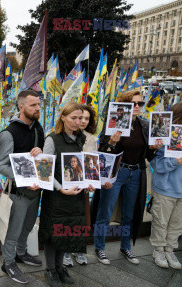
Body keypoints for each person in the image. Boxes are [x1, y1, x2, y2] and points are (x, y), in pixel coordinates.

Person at [93, 90, 161, 266]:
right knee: (105, 211)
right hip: (117, 172)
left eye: (140, 103)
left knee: (129, 213)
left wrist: (153, 148)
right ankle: (99, 247)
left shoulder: (144, 125)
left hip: (136, 172)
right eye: (134, 103)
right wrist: (112, 143)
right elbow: (102, 152)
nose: (138, 107)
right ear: (124, 105)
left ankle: (125, 247)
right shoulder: (114, 122)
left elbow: (147, 155)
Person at [40, 101, 95, 287]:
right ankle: (51, 270)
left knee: (67, 230)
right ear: (63, 117)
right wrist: (60, 188)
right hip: (57, 196)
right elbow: (43, 171)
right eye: (74, 118)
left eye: (80, 118)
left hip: (75, 195)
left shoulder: (80, 138)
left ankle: (60, 267)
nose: (78, 121)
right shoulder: (52, 140)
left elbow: (81, 166)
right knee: (54, 232)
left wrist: (88, 182)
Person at [0, 90, 45, 284]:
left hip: (36, 190)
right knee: (13, 231)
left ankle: (21, 253)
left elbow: (42, 158)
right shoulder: (9, 133)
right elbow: (0, 165)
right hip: (18, 192)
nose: (37, 108)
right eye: (33, 105)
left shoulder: (38, 128)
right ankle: (8, 262)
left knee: (28, 226)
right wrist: (23, 179)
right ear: (21, 106)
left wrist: (40, 152)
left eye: (39, 105)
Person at [149, 102, 182, 269]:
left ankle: (170, 249)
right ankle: (158, 249)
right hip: (166, 187)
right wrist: (176, 161)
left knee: (177, 223)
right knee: (161, 221)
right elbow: (156, 163)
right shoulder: (163, 136)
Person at [64, 104, 98, 266]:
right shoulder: (64, 136)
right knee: (66, 219)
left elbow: (93, 164)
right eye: (79, 117)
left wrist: (92, 182)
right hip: (67, 184)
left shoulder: (92, 139)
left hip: (83, 187)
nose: (82, 121)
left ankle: (78, 249)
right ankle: (65, 251)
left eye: (86, 118)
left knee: (82, 218)